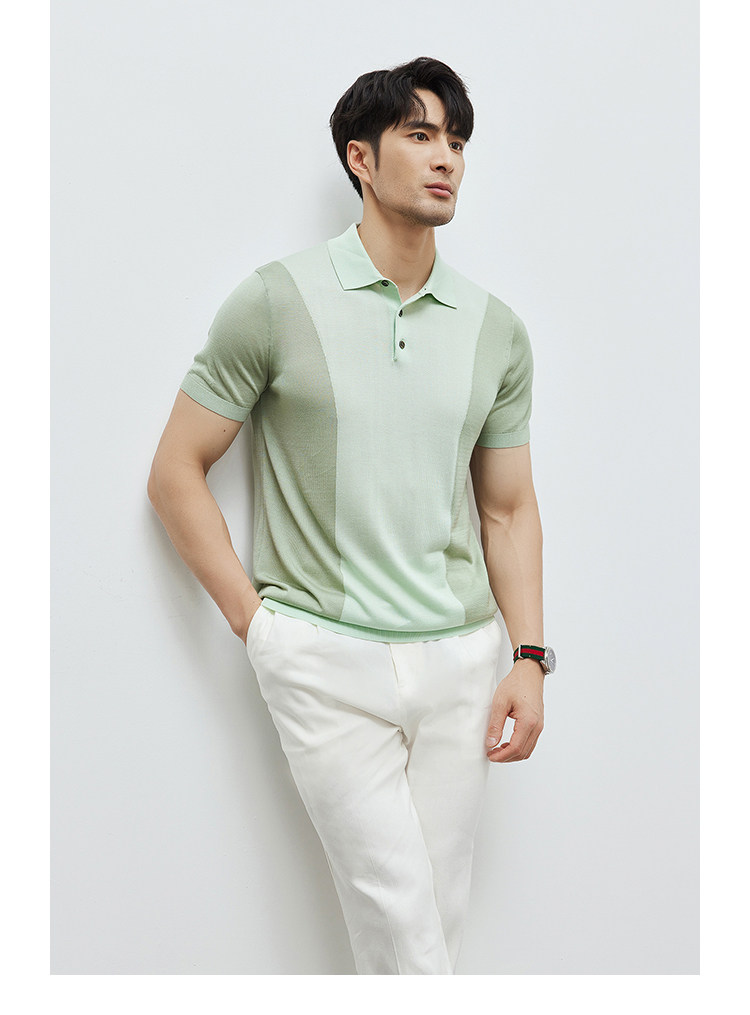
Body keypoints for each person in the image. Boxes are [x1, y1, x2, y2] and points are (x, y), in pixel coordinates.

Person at [147, 55, 556, 975]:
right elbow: (176, 471)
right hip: (324, 657)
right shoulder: (275, 300)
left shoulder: (497, 330)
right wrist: (259, 626)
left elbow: (508, 508)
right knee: (402, 919)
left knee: (430, 922)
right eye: (420, 134)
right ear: (360, 158)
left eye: (457, 141)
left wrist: (529, 658)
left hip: (460, 660)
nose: (446, 158)